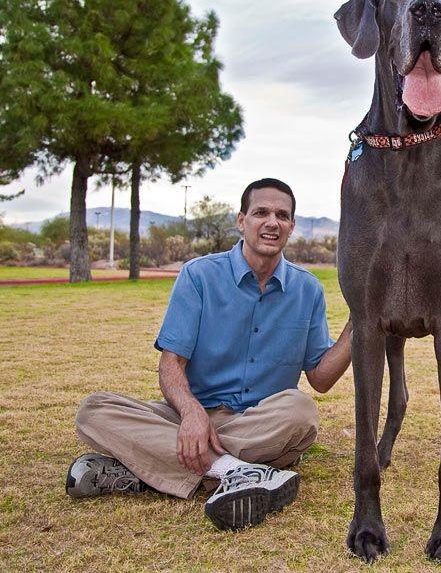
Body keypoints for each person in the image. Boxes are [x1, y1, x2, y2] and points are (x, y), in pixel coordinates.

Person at [66, 178, 352, 531]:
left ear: (292, 226)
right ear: (241, 220)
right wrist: (191, 414)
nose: (271, 222)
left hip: (259, 425)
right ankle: (234, 471)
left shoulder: (307, 289)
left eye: (282, 215)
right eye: (261, 212)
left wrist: (360, 321)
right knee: (93, 411)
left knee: (301, 411)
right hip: (189, 417)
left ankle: (142, 469)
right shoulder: (198, 275)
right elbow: (171, 363)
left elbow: (320, 380)